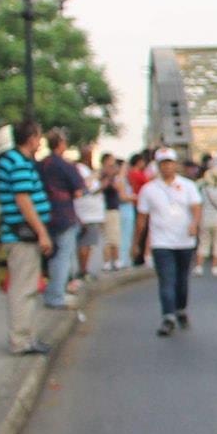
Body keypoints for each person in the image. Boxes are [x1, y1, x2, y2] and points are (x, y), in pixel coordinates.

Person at [0, 121, 53, 355]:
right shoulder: (17, 163)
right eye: (38, 137)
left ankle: (27, 336)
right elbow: (24, 200)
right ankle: (21, 339)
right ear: (30, 138)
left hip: (18, 234)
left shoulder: (13, 161)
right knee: (23, 289)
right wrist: (42, 232)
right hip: (21, 235)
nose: (40, 142)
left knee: (27, 287)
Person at [135, 148, 202, 336]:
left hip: (184, 241)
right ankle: (168, 316)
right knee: (167, 279)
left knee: (181, 280)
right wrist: (137, 243)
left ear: (175, 164)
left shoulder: (188, 186)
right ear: (158, 166)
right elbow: (142, 218)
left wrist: (194, 225)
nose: (167, 166)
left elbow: (196, 207)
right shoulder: (149, 189)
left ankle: (180, 309)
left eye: (170, 162)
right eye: (163, 163)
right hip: (161, 241)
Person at [38, 130, 84, 310]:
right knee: (62, 256)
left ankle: (51, 291)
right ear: (61, 144)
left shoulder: (41, 165)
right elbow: (79, 191)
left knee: (49, 256)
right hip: (64, 214)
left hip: (43, 214)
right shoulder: (66, 166)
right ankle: (56, 295)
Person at [73, 146, 105, 280]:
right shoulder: (82, 170)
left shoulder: (84, 170)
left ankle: (83, 269)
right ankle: (83, 270)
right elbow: (88, 188)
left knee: (86, 243)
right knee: (85, 243)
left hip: (88, 212)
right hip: (86, 213)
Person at [196, 164, 217, 276]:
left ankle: (199, 266)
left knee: (203, 242)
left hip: (205, 218)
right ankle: (215, 267)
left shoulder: (204, 190)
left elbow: (199, 205)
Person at [98, 154, 123, 271]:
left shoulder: (114, 177)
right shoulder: (102, 176)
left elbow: (119, 188)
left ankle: (115, 260)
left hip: (113, 208)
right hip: (108, 209)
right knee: (109, 238)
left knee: (114, 237)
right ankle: (109, 261)